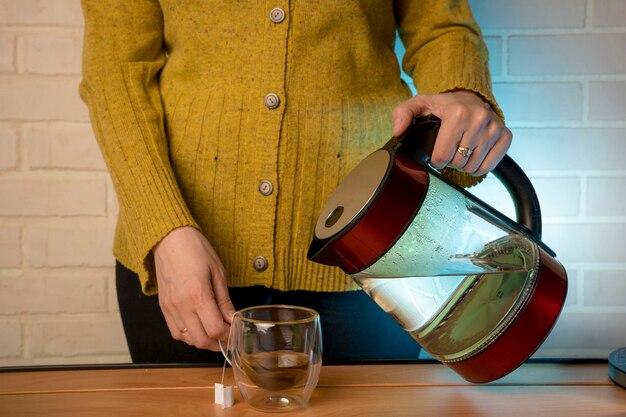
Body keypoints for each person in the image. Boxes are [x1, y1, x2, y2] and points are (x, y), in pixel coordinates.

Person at [79, 1, 512, 364]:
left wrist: (462, 94)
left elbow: (441, 26)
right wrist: (164, 229)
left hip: (371, 242)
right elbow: (116, 72)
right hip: (183, 256)